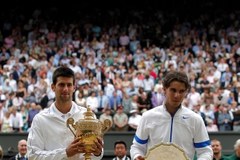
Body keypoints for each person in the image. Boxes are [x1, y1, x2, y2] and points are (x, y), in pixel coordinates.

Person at [130, 70, 213, 160]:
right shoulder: (148, 117)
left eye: (181, 91)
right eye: (173, 90)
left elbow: (205, 151)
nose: (177, 95)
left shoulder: (195, 119)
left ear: (186, 92)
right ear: (164, 90)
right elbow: (137, 147)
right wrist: (137, 157)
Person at [27, 66, 103, 159]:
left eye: (69, 85)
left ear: (74, 87)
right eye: (61, 85)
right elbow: (32, 155)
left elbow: (97, 155)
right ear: (53, 87)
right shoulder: (40, 119)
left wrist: (98, 153)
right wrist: (65, 153)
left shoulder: (88, 116)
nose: (65, 89)